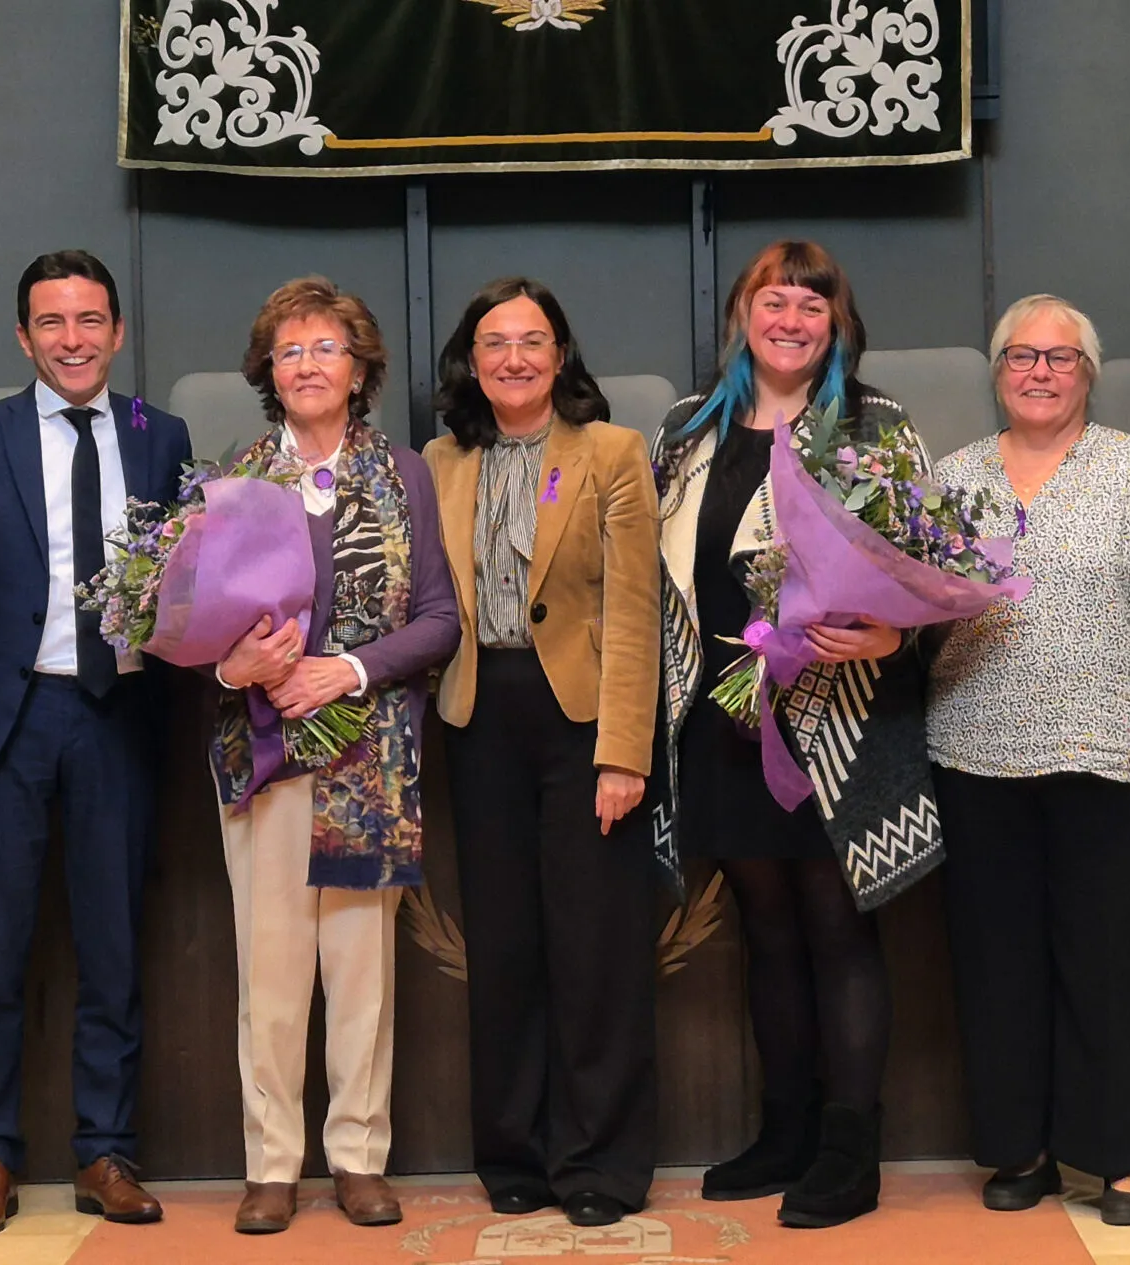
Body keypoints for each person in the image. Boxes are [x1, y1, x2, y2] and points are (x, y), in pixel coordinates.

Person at [0, 250, 192, 1238]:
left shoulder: (163, 434)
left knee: (112, 949)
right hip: (7, 726)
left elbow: (187, 581)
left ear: (117, 331)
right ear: (23, 336)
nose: (72, 339)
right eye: (51, 322)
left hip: (118, 716)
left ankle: (105, 1150)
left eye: (89, 320)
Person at [650, 239, 927, 1230]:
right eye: (776, 300)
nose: (793, 319)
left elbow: (924, 565)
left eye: (814, 304)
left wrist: (891, 632)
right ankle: (787, 1128)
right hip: (722, 716)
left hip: (840, 715)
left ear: (836, 322)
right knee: (764, 926)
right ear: (743, 311)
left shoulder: (874, 422)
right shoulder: (687, 427)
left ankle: (850, 1147)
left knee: (838, 923)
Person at [928, 295, 1130, 1226]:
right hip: (973, 751)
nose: (1040, 372)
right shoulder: (952, 477)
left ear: (1088, 372)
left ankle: (1121, 1159)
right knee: (997, 964)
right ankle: (1022, 1149)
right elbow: (915, 613)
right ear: (998, 371)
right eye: (1022, 356)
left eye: (1060, 357)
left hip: (1110, 755)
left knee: (1111, 964)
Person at [206, 277, 459, 1235]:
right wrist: (234, 665)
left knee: (361, 973)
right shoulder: (233, 478)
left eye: (325, 348)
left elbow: (439, 619)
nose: (307, 365)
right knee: (268, 972)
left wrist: (345, 669)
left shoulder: (405, 474)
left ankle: (358, 1155)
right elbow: (188, 628)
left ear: (360, 369)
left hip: (370, 755)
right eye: (289, 351)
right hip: (265, 753)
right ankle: (271, 1164)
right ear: (267, 372)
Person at [426, 278, 662, 1229]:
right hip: (479, 718)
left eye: (532, 340)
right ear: (470, 362)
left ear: (561, 355)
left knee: (596, 949)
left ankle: (600, 1160)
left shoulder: (611, 451)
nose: (514, 358)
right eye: (494, 343)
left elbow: (637, 608)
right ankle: (513, 1151)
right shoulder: (440, 460)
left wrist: (624, 750)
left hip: (584, 724)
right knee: (506, 945)